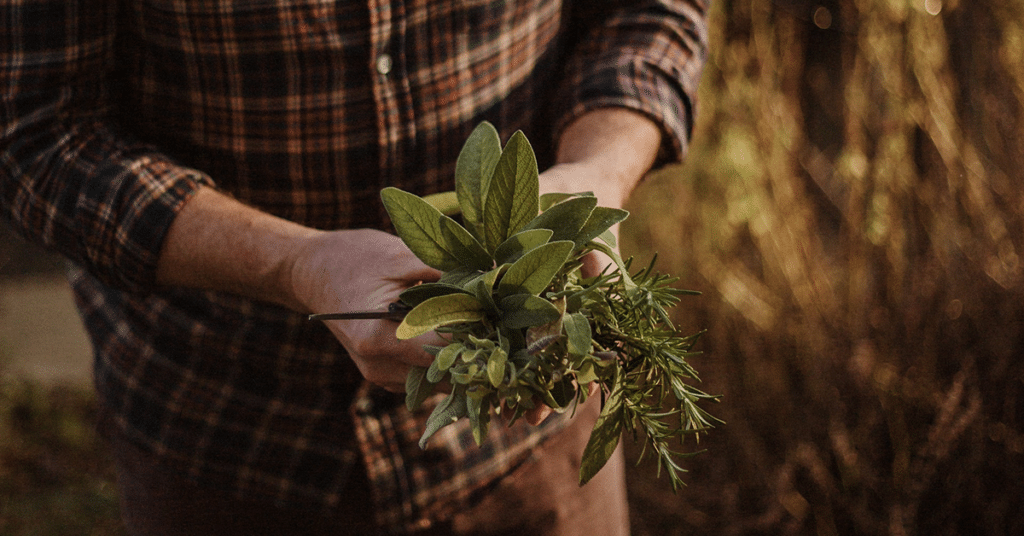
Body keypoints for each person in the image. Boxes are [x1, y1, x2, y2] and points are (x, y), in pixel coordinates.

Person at [1, 1, 709, 534]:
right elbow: (35, 135)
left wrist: (596, 172)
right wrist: (296, 264)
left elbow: (646, 12)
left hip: (531, 430)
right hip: (230, 433)